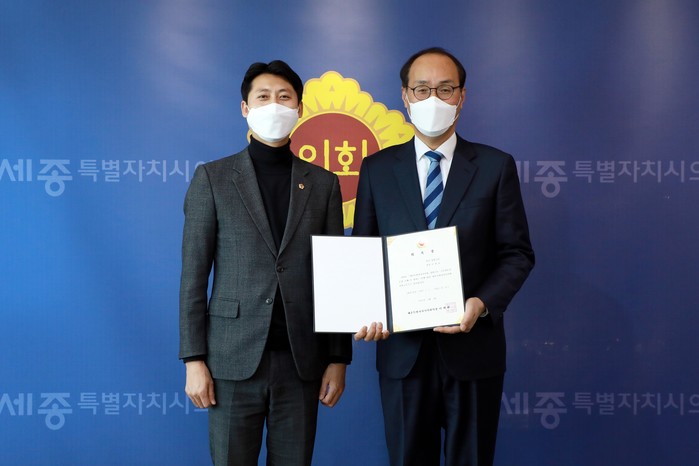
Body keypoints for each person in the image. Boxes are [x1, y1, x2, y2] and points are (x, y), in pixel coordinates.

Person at [353, 47, 535, 466]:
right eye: (422, 89)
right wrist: (367, 308)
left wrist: (481, 303)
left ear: (462, 97)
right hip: (402, 353)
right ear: (405, 96)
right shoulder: (377, 169)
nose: (433, 99)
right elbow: (364, 252)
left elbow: (517, 253)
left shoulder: (494, 166)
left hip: (474, 350)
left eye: (445, 89)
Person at [179, 60, 352, 466]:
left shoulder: (324, 183)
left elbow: (335, 278)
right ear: (245, 108)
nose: (274, 105)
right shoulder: (213, 179)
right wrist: (193, 360)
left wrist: (338, 358)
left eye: (284, 97)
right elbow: (192, 279)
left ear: (299, 108)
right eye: (263, 97)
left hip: (301, 360)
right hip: (231, 360)